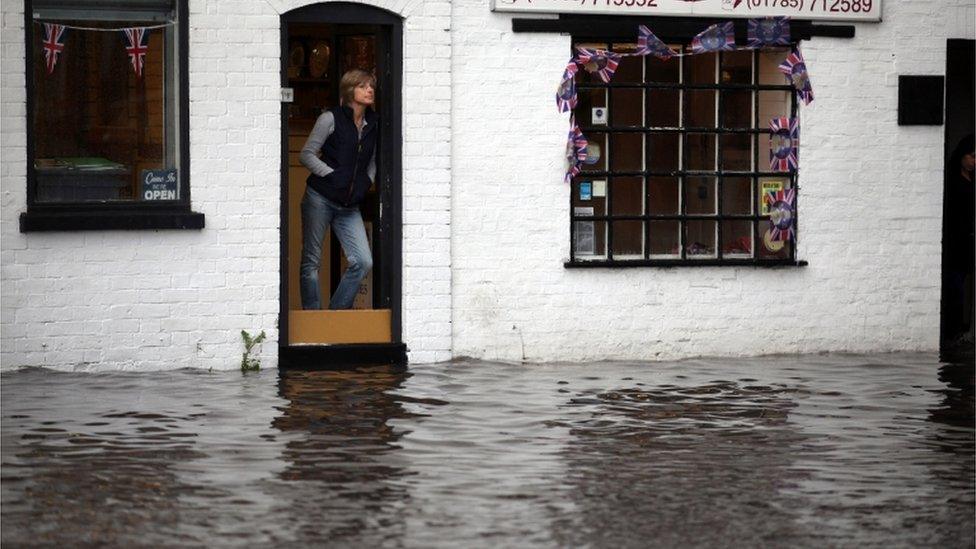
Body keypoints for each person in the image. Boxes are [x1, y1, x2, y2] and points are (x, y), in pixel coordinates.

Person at [299, 69, 377, 310]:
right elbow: (306, 154)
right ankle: (313, 318)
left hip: (349, 205)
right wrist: (332, 175)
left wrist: (366, 182)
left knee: (363, 261)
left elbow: (372, 160)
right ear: (349, 90)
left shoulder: (373, 122)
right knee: (311, 262)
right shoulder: (330, 119)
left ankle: (334, 315)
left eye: (371, 86)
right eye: (363, 86)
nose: (370, 90)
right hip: (320, 198)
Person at [944, 134, 975, 344]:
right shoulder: (953, 180)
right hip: (956, 242)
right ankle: (952, 332)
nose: (974, 161)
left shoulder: (973, 180)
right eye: (972, 156)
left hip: (970, 241)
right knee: (955, 287)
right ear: (962, 156)